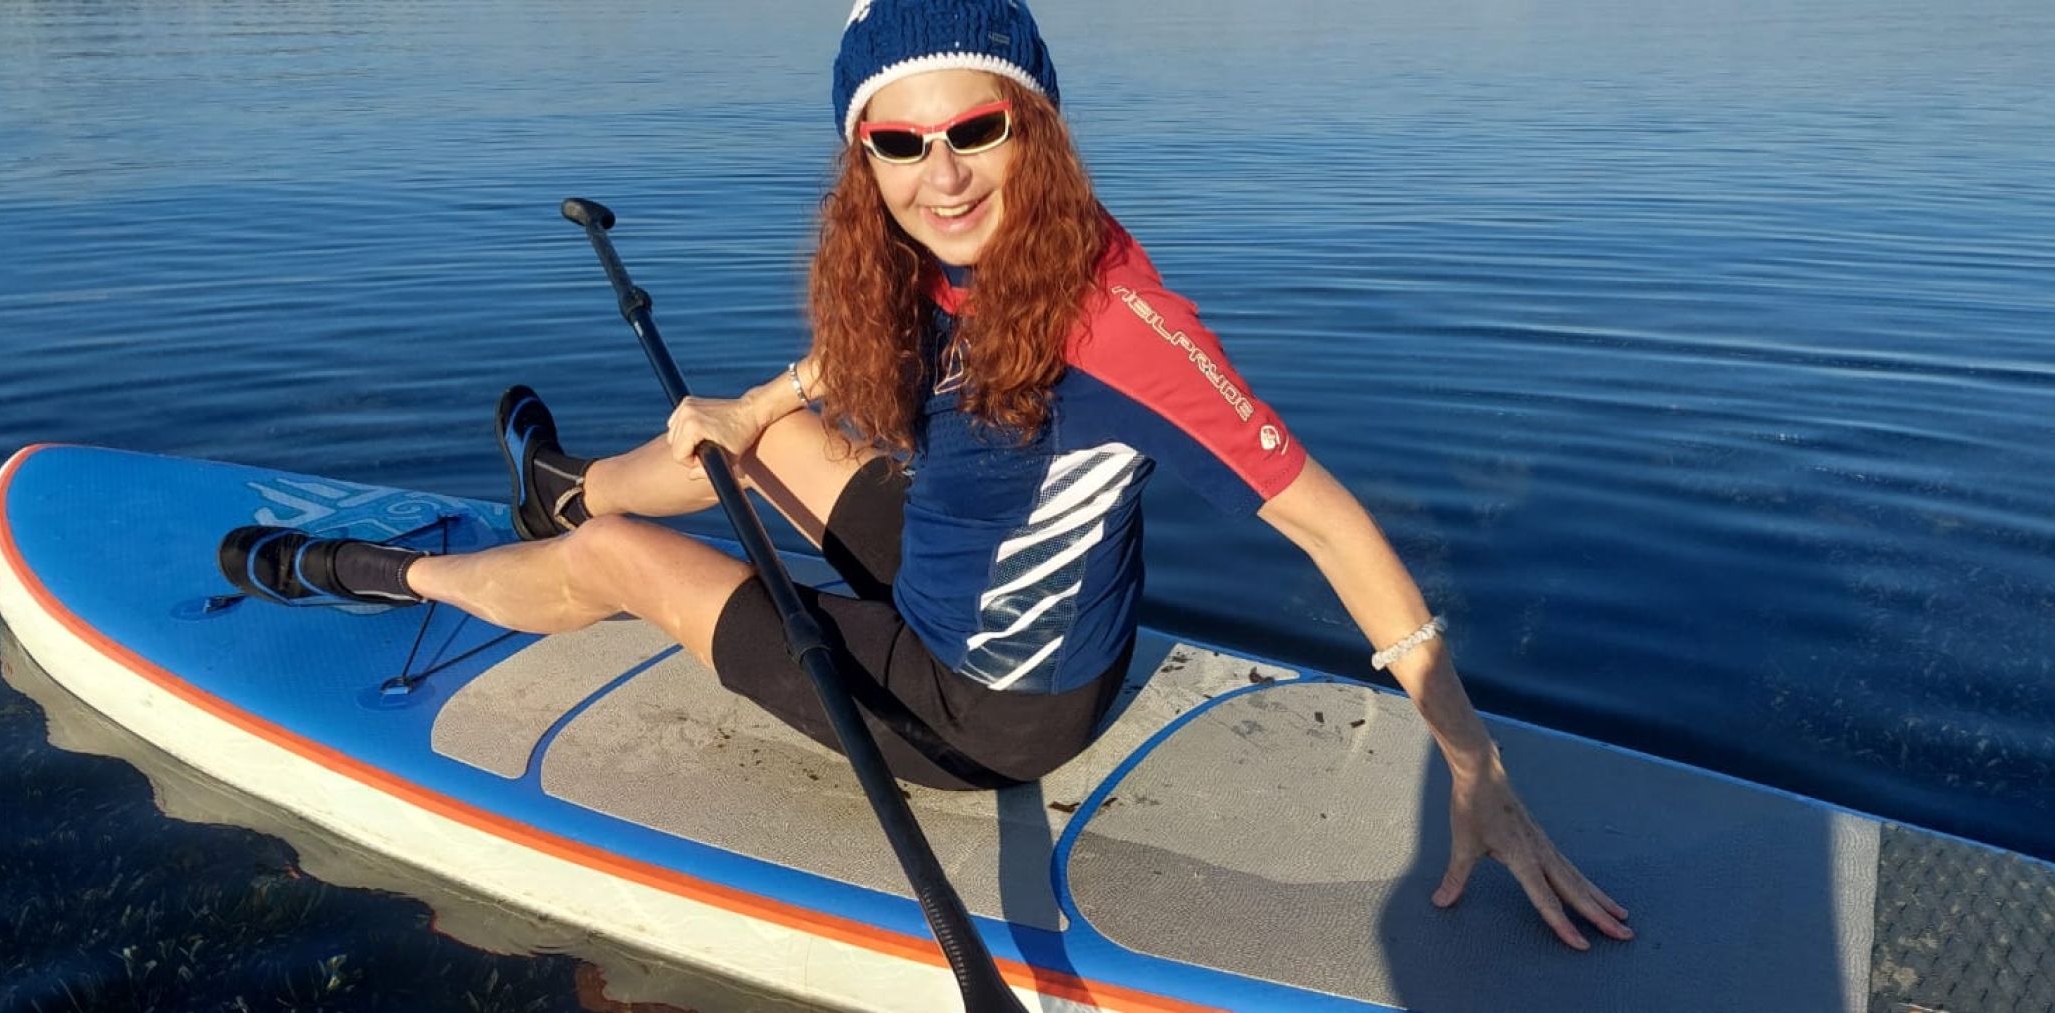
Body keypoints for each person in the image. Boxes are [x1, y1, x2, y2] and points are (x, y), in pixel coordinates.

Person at [217, 0, 1631, 950]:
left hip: (983, 707)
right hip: (963, 563)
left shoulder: (1116, 323)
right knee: (763, 437)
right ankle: (569, 485)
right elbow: (860, 357)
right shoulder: (961, 247)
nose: (939, 176)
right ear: (864, 157)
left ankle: (394, 570)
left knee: (619, 569)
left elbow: (1328, 523)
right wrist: (760, 402)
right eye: (897, 144)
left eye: (974, 132)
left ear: (1036, 128)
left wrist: (1475, 763)